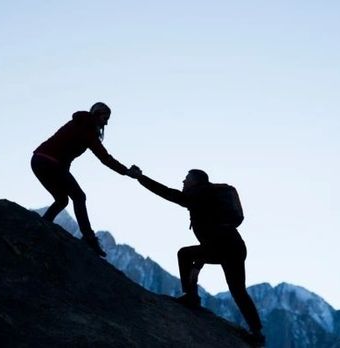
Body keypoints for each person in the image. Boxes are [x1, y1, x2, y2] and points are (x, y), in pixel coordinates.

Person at [130, 166, 265, 345]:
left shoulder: (199, 194)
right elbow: (213, 235)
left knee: (185, 254)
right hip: (234, 248)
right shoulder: (206, 194)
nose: (183, 182)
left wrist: (141, 178)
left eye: (187, 179)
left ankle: (191, 297)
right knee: (238, 290)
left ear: (195, 181)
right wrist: (200, 261)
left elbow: (170, 194)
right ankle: (257, 333)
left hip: (226, 247)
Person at [31, 102, 136, 257]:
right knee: (79, 196)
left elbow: (64, 149)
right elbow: (105, 158)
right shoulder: (88, 129)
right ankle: (89, 238)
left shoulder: (79, 122)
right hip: (50, 162)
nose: (106, 122)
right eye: (105, 118)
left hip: (39, 160)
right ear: (97, 114)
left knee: (62, 199)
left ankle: (43, 225)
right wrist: (126, 171)